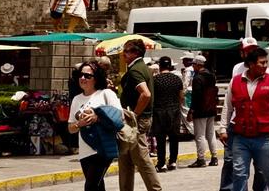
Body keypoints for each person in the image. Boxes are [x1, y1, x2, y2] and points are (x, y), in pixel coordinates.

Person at [218, 47, 269, 191]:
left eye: (266, 62)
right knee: (239, 173)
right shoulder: (235, 82)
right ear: (251, 64)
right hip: (240, 137)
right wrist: (223, 129)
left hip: (264, 137)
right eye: (262, 62)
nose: (265, 65)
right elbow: (227, 107)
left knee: (268, 173)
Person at [68, 61, 121, 191]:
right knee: (97, 186)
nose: (82, 78)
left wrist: (97, 118)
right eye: (80, 75)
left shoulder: (106, 94)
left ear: (96, 78)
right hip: (85, 150)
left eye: (87, 76)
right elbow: (70, 129)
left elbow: (119, 117)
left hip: (102, 148)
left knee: (90, 186)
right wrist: (79, 124)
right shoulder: (76, 99)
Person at [118, 39, 162, 191]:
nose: (124, 54)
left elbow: (146, 94)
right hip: (136, 119)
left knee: (141, 159)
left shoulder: (136, 70)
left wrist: (134, 114)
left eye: (127, 51)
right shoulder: (141, 67)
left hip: (136, 120)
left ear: (136, 53)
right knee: (125, 158)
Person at [152, 57, 183, 172]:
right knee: (174, 137)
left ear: (160, 66)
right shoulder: (177, 79)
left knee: (161, 138)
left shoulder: (155, 80)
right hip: (174, 110)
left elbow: (152, 96)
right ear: (170, 66)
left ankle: (161, 163)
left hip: (159, 111)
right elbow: (181, 97)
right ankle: (173, 161)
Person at [188, 55, 218, 168]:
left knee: (200, 135)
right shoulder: (212, 76)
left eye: (193, 64)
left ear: (197, 65)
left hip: (201, 110)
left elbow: (196, 96)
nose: (193, 66)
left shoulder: (198, 78)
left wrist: (191, 111)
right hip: (211, 108)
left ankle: (201, 159)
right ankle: (214, 157)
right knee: (211, 134)